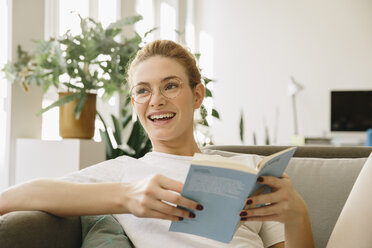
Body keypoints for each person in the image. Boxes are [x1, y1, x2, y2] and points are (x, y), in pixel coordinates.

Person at [0, 40, 314, 248]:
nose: (157, 100)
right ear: (134, 102)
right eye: (143, 90)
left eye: (171, 85)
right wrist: (127, 197)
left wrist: (298, 215)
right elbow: (15, 197)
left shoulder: (248, 169)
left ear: (198, 95)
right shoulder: (125, 173)